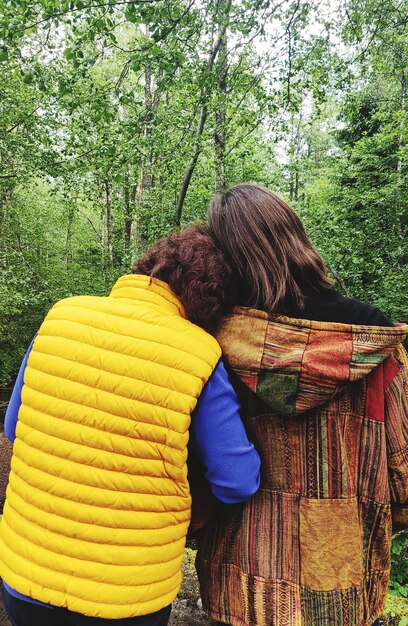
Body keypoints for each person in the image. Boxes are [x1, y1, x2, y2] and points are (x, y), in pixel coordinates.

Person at [0, 224, 261, 626]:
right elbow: (236, 480)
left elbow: (15, 426)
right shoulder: (198, 354)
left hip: (25, 577)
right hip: (127, 597)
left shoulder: (61, 316)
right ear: (214, 300)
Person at [195, 184, 408, 626]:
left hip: (240, 586)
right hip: (341, 582)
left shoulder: (209, 345)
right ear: (296, 239)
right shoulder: (373, 342)